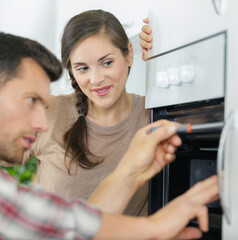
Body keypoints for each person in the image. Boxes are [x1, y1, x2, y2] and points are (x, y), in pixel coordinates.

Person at [0, 31, 219, 239]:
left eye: (107, 62)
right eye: (31, 101)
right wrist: (153, 227)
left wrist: (130, 173)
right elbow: (15, 216)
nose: (42, 123)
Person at [31, 9, 152, 216]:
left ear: (129, 54)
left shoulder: (153, 114)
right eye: (82, 68)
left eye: (107, 63)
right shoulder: (48, 112)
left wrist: (169, 47)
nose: (96, 79)